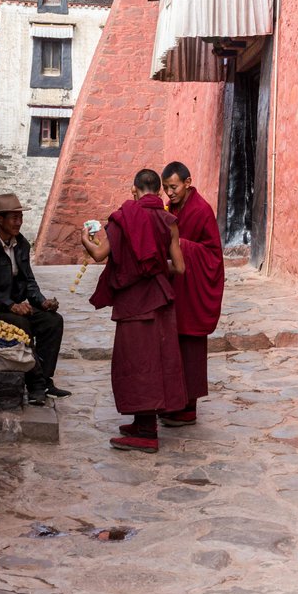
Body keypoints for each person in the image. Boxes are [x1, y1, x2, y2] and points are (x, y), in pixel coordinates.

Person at [81, 168, 186, 454]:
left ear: (134, 190)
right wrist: (153, 268)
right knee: (154, 361)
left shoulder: (123, 218)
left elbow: (99, 254)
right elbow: (179, 267)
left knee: (136, 363)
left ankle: (147, 434)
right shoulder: (169, 221)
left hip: (133, 302)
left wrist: (85, 240)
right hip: (160, 299)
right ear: (159, 190)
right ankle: (142, 422)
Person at [0, 192, 70, 405]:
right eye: (14, 218)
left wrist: (41, 301)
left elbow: (28, 280)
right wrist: (11, 305)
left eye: (20, 217)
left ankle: (45, 379)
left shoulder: (21, 244)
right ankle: (35, 385)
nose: (19, 222)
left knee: (52, 321)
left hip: (15, 304)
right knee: (21, 324)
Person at [160, 161, 224, 426]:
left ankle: (188, 408)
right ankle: (174, 402)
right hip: (178, 289)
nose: (169, 193)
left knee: (190, 349)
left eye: (173, 187)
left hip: (193, 287)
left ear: (187, 183)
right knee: (173, 348)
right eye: (165, 188)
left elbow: (213, 256)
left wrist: (181, 246)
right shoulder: (172, 208)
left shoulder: (202, 210)